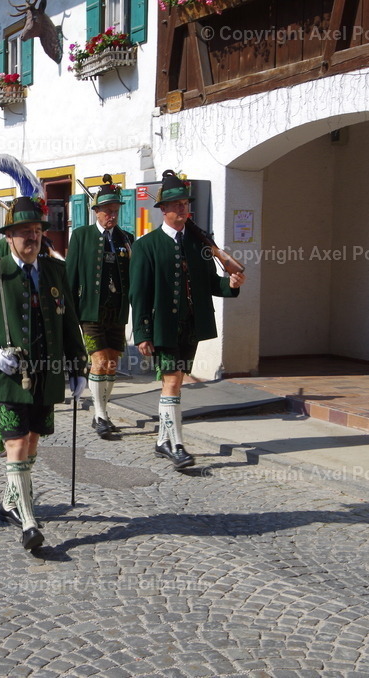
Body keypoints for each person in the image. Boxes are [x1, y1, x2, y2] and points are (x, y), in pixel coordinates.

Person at [0, 196, 88, 551]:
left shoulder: (55, 271)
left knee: (31, 441)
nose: (31, 238)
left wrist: (78, 366)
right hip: (6, 377)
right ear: (9, 236)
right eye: (23, 232)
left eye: (36, 231)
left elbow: (68, 322)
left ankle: (9, 501)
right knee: (15, 443)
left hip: (46, 374)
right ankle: (28, 521)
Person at [129, 170, 245, 470]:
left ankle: (162, 441)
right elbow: (138, 293)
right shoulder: (146, 245)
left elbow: (210, 284)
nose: (182, 209)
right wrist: (142, 333)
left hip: (191, 326)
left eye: (185, 204)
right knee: (171, 381)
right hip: (162, 327)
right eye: (176, 205)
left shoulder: (199, 245)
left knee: (176, 382)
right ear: (163, 210)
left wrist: (230, 284)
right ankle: (176, 444)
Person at [65, 177, 134, 439]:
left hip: (116, 311)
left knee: (112, 363)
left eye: (115, 211)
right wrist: (69, 315)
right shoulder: (81, 235)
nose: (112, 216)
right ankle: (100, 414)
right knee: (99, 360)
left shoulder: (126, 239)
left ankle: (104, 411)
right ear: (96, 211)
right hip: (90, 310)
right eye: (107, 211)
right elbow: (70, 277)